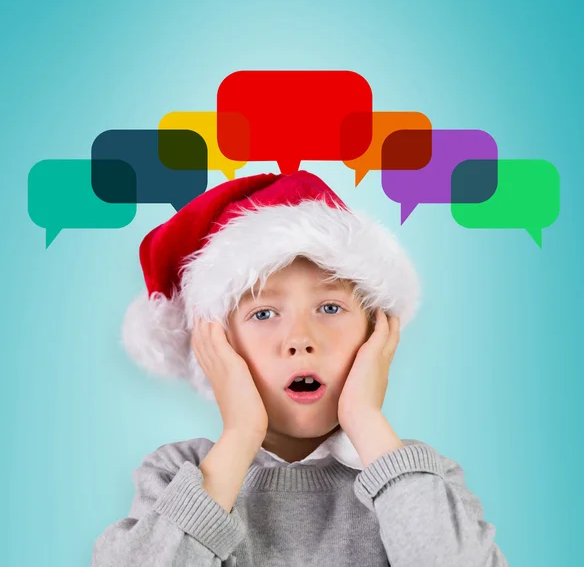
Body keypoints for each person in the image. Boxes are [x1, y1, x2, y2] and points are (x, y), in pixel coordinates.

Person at [91, 170, 509, 566]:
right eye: (264, 313)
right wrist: (240, 435)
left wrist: (365, 419)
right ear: (217, 346)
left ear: (374, 335)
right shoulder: (175, 474)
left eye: (330, 307)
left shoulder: (417, 479)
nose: (300, 339)